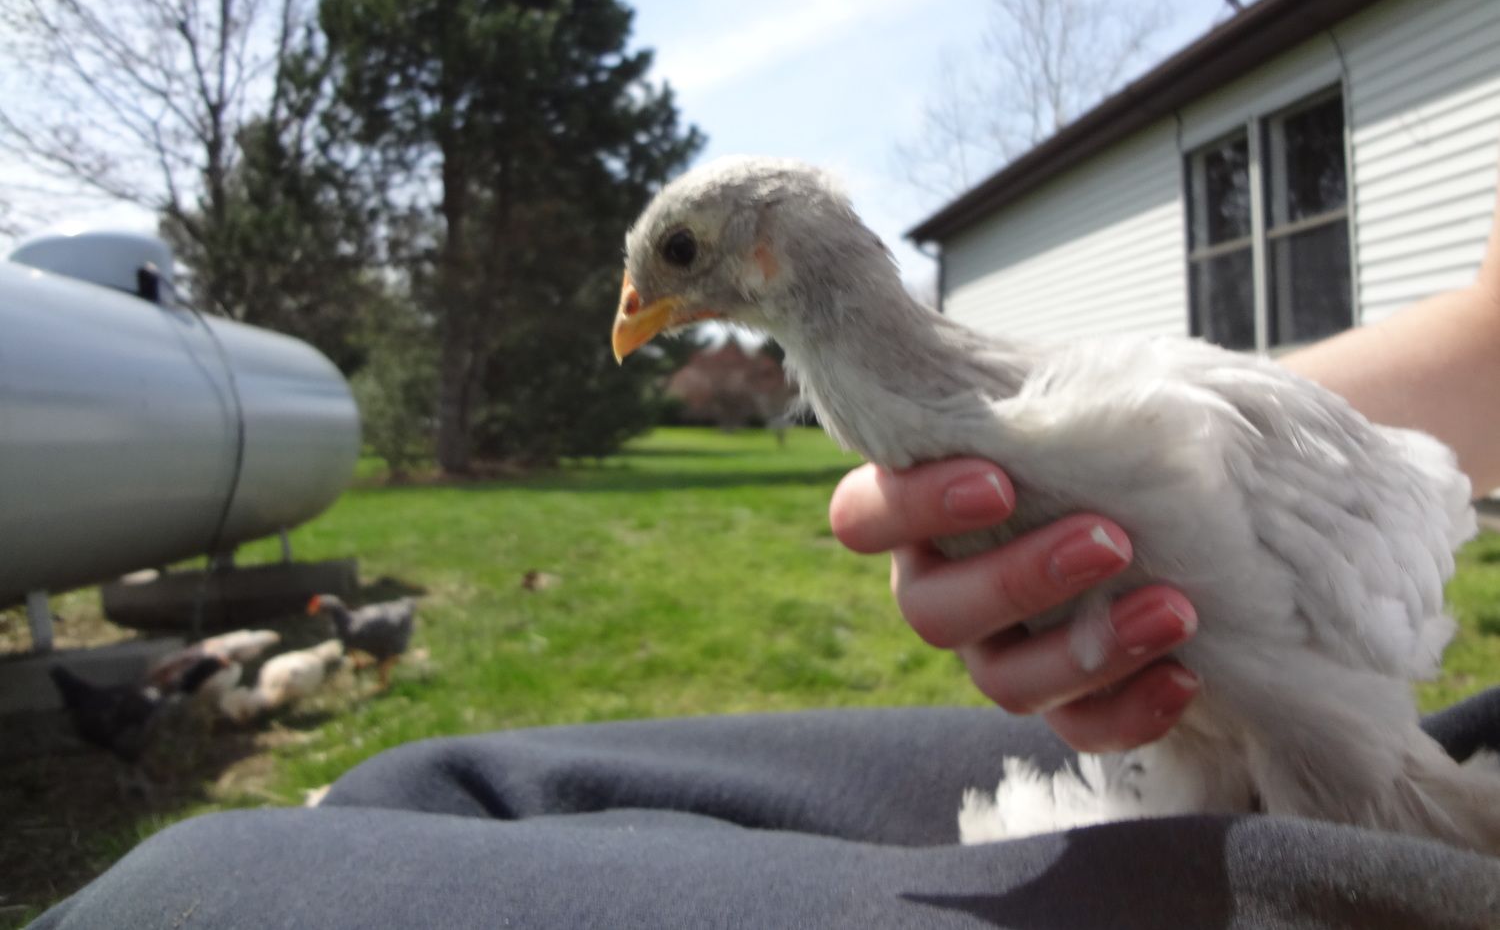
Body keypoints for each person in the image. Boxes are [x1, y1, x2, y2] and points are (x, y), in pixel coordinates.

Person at [31, 196, 1500, 928]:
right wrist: (1205, 455)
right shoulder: (1062, 422)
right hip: (1217, 747)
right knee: (424, 787)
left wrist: (1245, 457)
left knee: (225, 887)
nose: (642, 303)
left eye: (674, 260)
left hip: (1369, 789)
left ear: (772, 252)